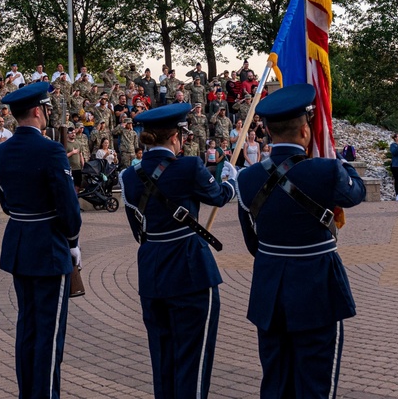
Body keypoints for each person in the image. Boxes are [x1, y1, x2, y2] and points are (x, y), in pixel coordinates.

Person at [232, 84, 365, 398]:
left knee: (276, 383)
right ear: (306, 130)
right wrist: (339, 161)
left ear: (265, 130)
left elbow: (254, 241)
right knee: (315, 385)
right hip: (317, 286)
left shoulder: (247, 179)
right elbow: (355, 193)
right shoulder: (326, 170)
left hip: (270, 286)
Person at [119, 102, 237, 399]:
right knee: (193, 361)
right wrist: (231, 179)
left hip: (152, 269)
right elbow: (219, 197)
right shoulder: (189, 166)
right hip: (190, 270)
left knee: (163, 359)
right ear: (177, 137)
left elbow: (138, 230)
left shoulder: (128, 176)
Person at [0, 82, 82, 399]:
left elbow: (5, 202)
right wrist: (73, 241)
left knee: (27, 329)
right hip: (49, 247)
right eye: (46, 108)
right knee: (49, 334)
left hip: (19, 244)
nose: (47, 114)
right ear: (37, 110)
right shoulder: (51, 150)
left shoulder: (1, 151)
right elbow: (68, 207)